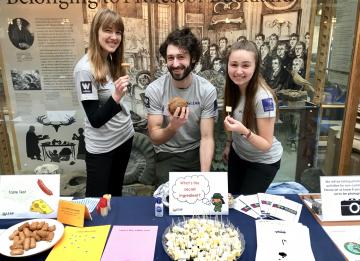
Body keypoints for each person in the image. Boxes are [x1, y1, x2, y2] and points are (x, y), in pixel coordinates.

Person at [145, 28, 218, 186]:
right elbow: (155, 137)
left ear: (193, 58)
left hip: (196, 152)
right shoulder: (154, 90)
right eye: (170, 58)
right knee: (169, 200)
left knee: (202, 196)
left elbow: (207, 137)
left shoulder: (207, 90)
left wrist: (204, 176)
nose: (175, 64)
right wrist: (172, 127)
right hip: (167, 154)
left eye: (181, 57)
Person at [73, 8, 134, 197]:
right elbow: (95, 120)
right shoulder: (84, 69)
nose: (114, 37)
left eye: (118, 32)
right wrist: (116, 96)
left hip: (124, 136)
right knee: (96, 198)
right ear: (96, 31)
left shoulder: (111, 59)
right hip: (101, 147)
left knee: (115, 194)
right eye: (108, 30)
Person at [222, 40, 283, 195]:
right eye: (234, 64)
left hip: (263, 162)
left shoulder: (264, 98)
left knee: (246, 206)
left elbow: (266, 145)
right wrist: (229, 144)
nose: (238, 71)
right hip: (239, 154)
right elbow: (229, 115)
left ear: (256, 67)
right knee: (232, 199)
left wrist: (243, 131)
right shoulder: (232, 88)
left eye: (246, 65)